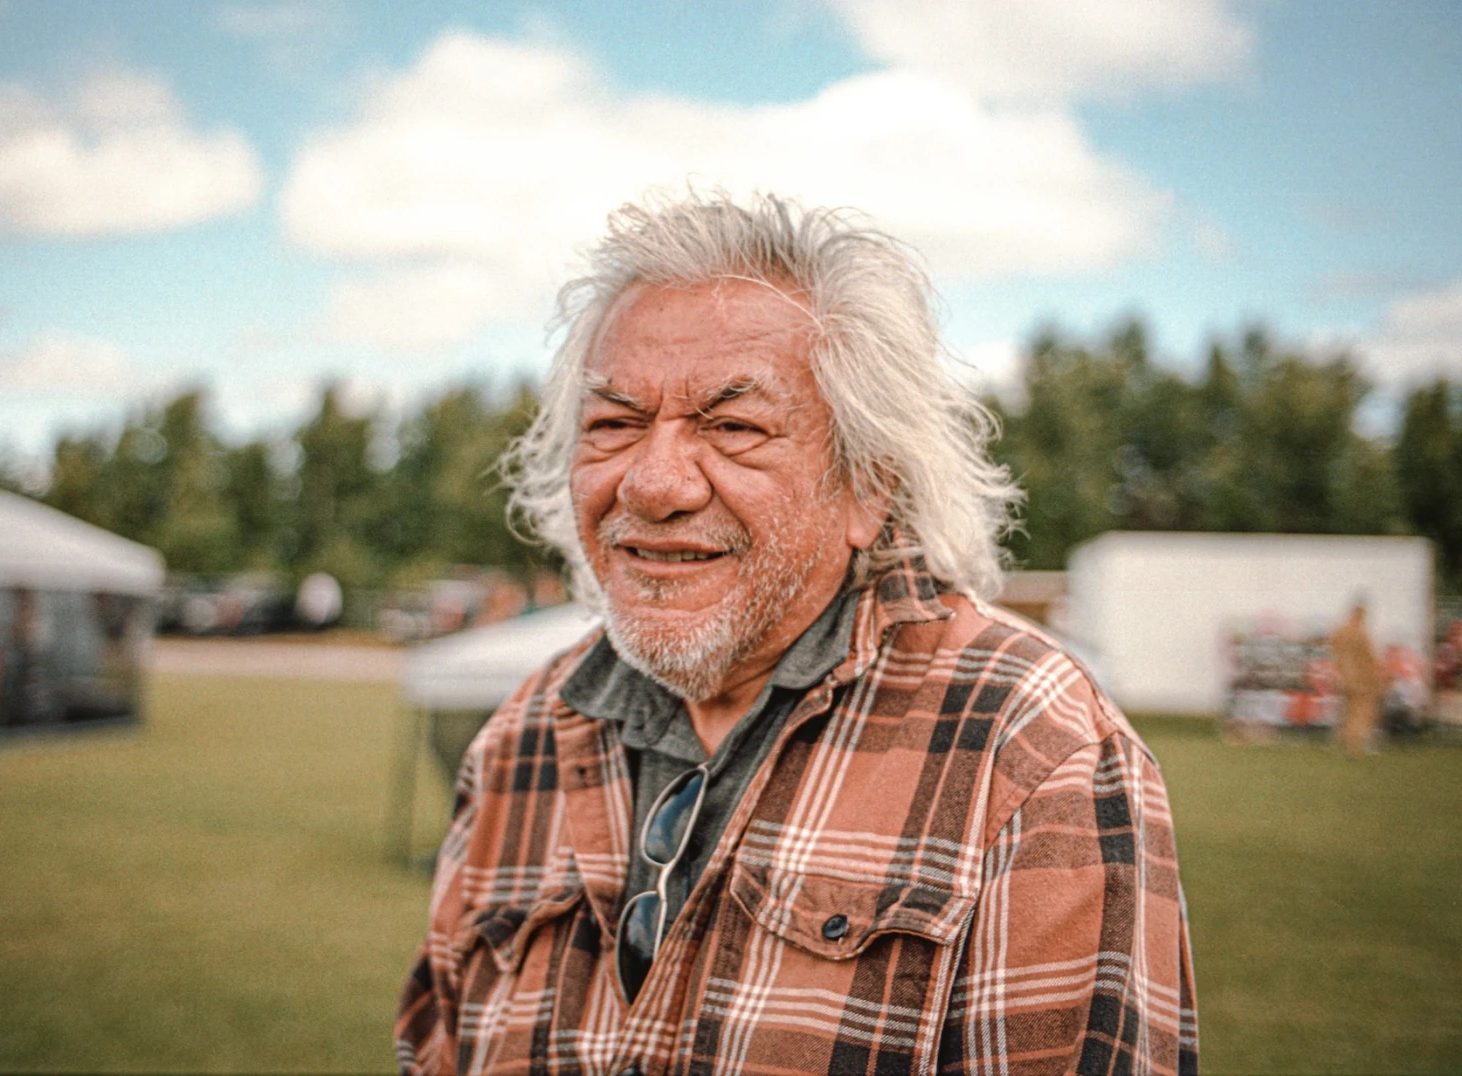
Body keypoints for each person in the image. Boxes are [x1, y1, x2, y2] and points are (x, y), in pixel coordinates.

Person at [395, 192, 1197, 1075]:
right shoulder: (520, 740)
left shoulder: (1033, 751)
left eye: (734, 427)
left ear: (870, 487)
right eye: (614, 424)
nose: (653, 484)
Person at [1329, 601, 1384, 755]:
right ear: (1361, 615)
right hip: (1362, 680)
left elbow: (1332, 648)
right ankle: (1354, 743)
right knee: (1361, 711)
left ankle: (1342, 739)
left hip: (1344, 678)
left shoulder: (1340, 631)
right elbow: (1370, 658)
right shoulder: (1362, 634)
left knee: (1347, 711)